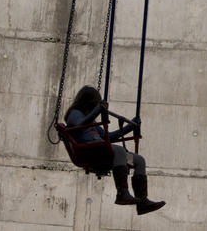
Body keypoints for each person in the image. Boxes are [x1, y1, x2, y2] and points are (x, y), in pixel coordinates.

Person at [64, 86, 166, 215]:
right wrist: (98, 111)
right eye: (95, 104)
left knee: (139, 160)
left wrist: (130, 127)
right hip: (90, 152)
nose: (95, 107)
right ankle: (122, 193)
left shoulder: (91, 119)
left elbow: (110, 137)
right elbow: (80, 125)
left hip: (101, 150)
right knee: (119, 150)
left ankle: (143, 202)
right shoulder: (74, 114)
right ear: (88, 102)